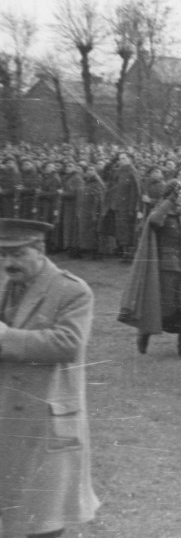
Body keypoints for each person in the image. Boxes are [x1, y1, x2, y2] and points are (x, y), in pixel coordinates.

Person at [0, 219, 101, 538]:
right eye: (2, 255)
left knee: (44, 518)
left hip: (45, 419)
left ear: (41, 250)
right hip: (7, 414)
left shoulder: (71, 290)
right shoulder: (6, 287)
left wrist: (5, 337)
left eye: (17, 254)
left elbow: (68, 343)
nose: (8, 263)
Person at [120, 180, 181, 357]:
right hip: (166, 268)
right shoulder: (161, 212)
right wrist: (168, 202)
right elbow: (153, 221)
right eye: (177, 195)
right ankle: (144, 333)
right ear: (169, 196)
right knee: (165, 308)